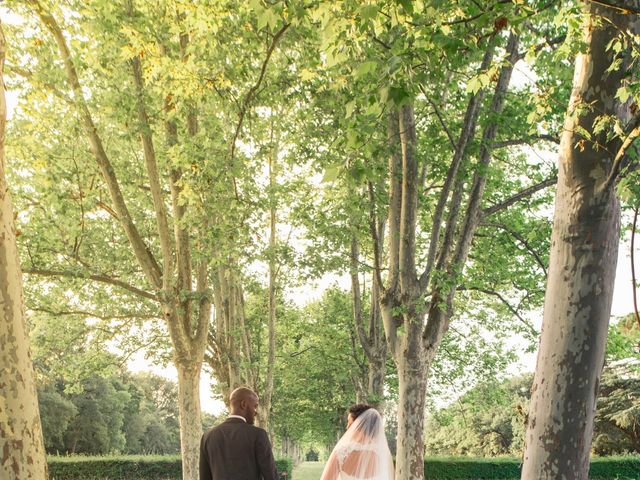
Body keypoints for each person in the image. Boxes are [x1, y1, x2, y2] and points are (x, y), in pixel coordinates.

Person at [199, 386, 277, 480]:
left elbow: (204, 477)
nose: (255, 412)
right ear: (243, 404)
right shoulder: (258, 435)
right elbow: (271, 476)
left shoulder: (208, 436)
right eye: (255, 406)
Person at [320, 404, 394, 480]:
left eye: (349, 422)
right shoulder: (384, 455)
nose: (347, 427)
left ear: (358, 424)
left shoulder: (341, 452)